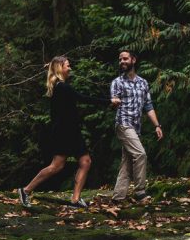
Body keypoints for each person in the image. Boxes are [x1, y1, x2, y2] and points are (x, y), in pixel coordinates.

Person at [18, 56, 120, 209]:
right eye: (67, 65)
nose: (70, 68)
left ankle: (75, 199)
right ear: (60, 68)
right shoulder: (62, 87)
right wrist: (109, 101)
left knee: (85, 162)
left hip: (72, 132)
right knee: (56, 166)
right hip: (63, 133)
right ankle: (25, 190)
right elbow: (83, 98)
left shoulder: (60, 86)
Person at [110, 50, 163, 203]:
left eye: (125, 59)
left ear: (133, 60)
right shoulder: (117, 82)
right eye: (120, 59)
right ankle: (140, 192)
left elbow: (148, 106)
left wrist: (157, 125)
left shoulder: (143, 83)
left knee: (127, 163)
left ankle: (118, 198)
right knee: (140, 154)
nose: (122, 62)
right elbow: (113, 103)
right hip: (123, 124)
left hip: (136, 127)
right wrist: (113, 103)